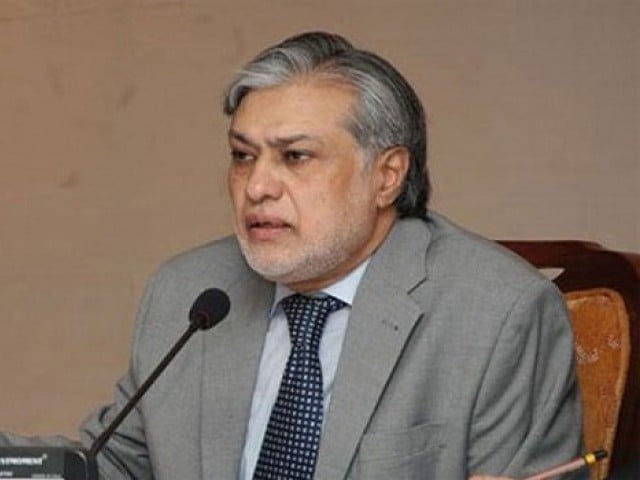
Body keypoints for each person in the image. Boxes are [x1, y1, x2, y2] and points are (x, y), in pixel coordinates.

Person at [0, 31, 583, 479]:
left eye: (295, 157)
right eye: (242, 156)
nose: (256, 187)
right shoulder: (191, 290)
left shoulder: (498, 314)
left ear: (387, 175)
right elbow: (114, 465)